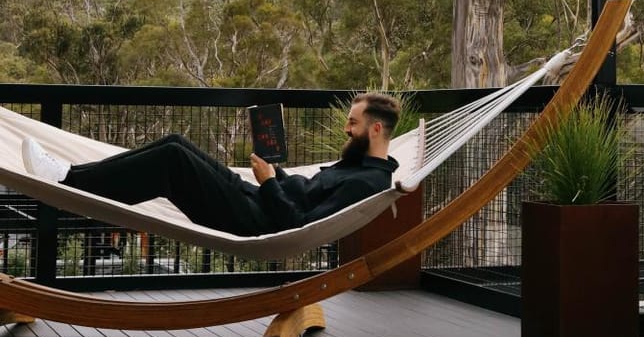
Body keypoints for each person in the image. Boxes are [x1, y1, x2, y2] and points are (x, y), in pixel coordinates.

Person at [20, 93, 401, 236]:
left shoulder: (365, 183)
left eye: (353, 122)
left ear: (376, 128)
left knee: (170, 161)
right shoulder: (357, 165)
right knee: (175, 143)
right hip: (253, 196)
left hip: (255, 220)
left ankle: (67, 179)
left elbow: (297, 226)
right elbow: (304, 197)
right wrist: (275, 175)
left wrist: (269, 183)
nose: (346, 128)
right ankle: (71, 177)